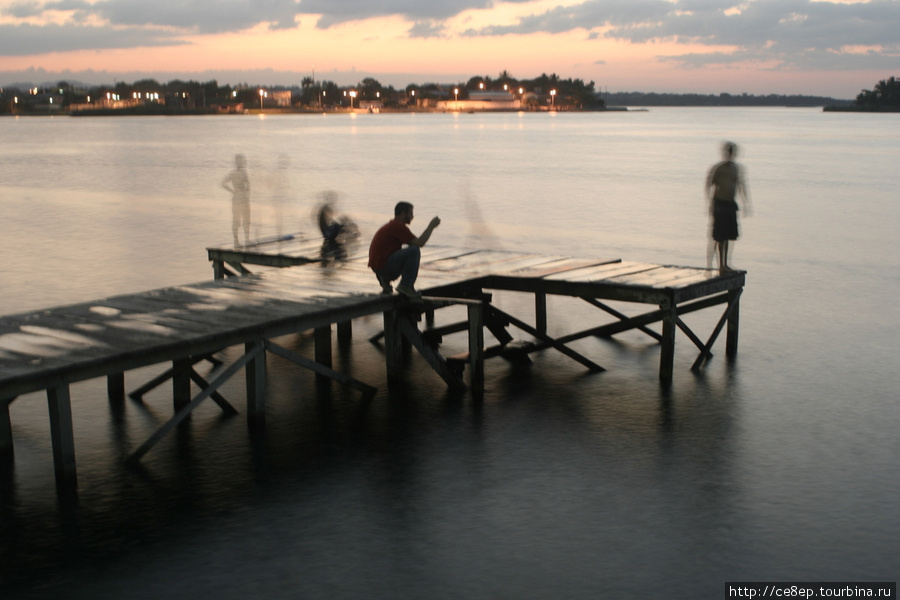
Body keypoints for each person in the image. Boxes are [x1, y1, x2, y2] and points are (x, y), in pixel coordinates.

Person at [368, 202, 441, 300]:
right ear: (403, 214)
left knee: (409, 250)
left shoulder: (392, 225)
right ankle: (406, 285)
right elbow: (419, 243)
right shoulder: (398, 226)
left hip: (378, 266)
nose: (412, 217)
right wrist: (431, 227)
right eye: (410, 213)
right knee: (414, 251)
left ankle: (385, 280)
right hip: (383, 265)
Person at [706, 141, 751, 271]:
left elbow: (742, 185)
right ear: (725, 153)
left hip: (731, 204)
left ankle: (725, 264)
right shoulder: (719, 168)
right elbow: (709, 184)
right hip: (719, 203)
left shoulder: (737, 168)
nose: (730, 155)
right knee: (719, 237)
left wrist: (746, 203)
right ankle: (715, 265)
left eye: (732, 153)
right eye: (729, 152)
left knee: (729, 236)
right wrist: (710, 203)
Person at [222, 154, 251, 247]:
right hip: (242, 199)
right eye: (242, 161)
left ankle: (237, 241)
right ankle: (243, 240)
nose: (243, 162)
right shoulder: (242, 173)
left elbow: (223, 183)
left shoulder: (234, 173)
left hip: (237, 198)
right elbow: (247, 187)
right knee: (243, 220)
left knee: (238, 220)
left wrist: (233, 191)